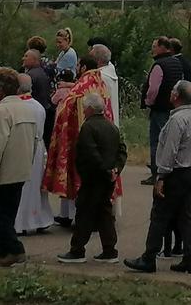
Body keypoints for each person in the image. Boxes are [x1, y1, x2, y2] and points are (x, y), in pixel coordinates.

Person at [125, 81, 191, 274]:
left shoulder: (177, 120)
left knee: (159, 215)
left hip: (175, 173)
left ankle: (148, 258)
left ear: (176, 96)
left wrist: (161, 175)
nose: (170, 92)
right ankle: (190, 258)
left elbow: (170, 150)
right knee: (185, 216)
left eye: (172, 90)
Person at [44, 57, 117, 224]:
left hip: (80, 137)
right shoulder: (100, 83)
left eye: (78, 65)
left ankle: (73, 216)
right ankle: (76, 215)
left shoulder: (81, 86)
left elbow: (65, 111)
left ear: (83, 67)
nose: (76, 68)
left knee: (77, 175)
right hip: (102, 136)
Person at [57, 92, 127, 263]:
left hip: (94, 177)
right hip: (108, 177)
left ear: (88, 109)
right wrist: (115, 170)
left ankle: (77, 250)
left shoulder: (88, 127)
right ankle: (110, 250)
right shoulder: (112, 127)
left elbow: (90, 153)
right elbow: (122, 150)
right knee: (104, 213)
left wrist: (104, 170)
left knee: (84, 212)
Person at [0, 68, 38, 267]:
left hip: (4, 170)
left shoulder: (2, 110)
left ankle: (15, 249)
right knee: (10, 212)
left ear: (2, 89)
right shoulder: (28, 108)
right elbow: (35, 140)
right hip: (21, 168)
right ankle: (3, 250)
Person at [141, 36, 183, 184]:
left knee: (157, 141)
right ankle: (170, 170)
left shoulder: (159, 65)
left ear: (162, 47)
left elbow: (153, 89)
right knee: (170, 140)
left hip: (159, 108)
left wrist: (148, 102)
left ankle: (156, 173)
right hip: (173, 107)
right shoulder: (177, 62)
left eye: (154, 46)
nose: (152, 49)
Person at [15, 73, 55, 234]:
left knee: (23, 186)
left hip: (23, 147)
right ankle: (39, 218)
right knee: (35, 185)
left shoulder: (18, 106)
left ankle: (21, 222)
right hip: (38, 148)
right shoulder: (38, 106)